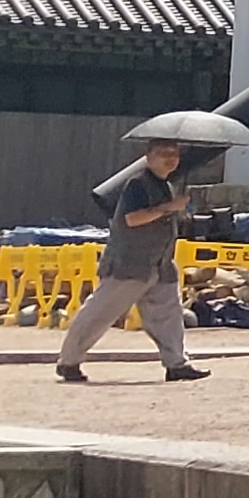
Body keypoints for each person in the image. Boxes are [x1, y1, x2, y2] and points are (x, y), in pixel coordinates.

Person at [58, 138, 209, 383]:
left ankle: (177, 364)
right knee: (99, 314)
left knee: (169, 317)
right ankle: (69, 361)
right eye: (163, 153)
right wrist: (170, 207)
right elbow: (133, 219)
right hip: (130, 264)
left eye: (174, 153)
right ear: (149, 157)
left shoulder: (166, 186)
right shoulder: (137, 184)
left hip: (160, 265)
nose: (170, 158)